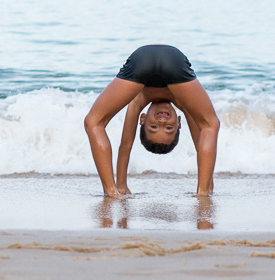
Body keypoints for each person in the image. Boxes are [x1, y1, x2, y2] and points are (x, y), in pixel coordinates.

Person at [83, 45, 219, 199]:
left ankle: (110, 190)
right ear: (178, 122)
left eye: (153, 127)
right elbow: (202, 136)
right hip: (174, 62)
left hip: (142, 61)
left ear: (142, 119)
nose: (162, 121)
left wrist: (121, 185)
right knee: (210, 124)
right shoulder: (184, 102)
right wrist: (207, 184)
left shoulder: (138, 101)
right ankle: (203, 193)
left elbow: (126, 145)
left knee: (93, 121)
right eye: (169, 128)